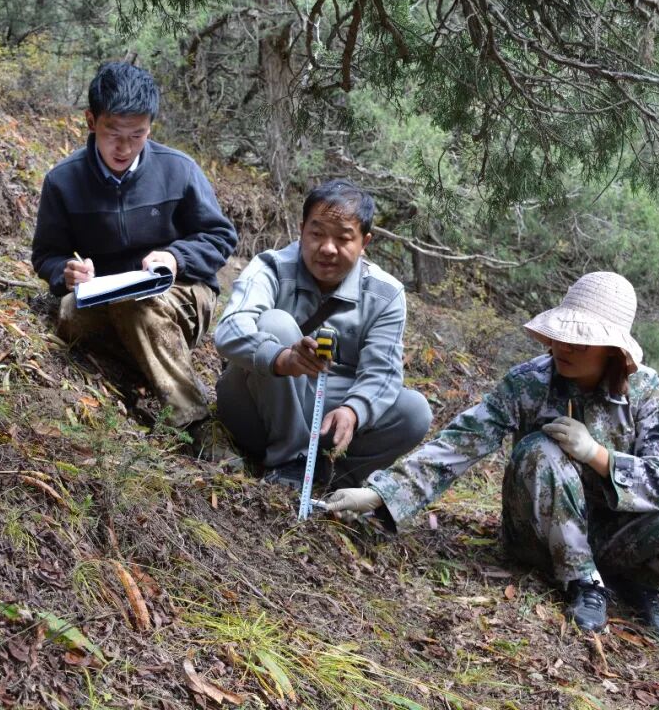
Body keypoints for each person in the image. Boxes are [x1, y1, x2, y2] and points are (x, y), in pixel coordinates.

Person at [324, 272, 659, 640]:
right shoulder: (529, 383)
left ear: (611, 349)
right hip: (540, 533)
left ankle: (636, 580)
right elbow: (462, 441)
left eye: (581, 341)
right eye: (562, 335)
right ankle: (583, 582)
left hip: (618, 532)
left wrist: (599, 456)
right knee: (543, 449)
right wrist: (382, 494)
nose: (565, 347)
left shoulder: (645, 391)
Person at [31, 62, 237, 428]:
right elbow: (47, 255)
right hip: (105, 297)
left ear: (150, 128)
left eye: (137, 135)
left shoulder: (179, 170)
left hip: (182, 293)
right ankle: (151, 362)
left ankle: (194, 423)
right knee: (68, 314)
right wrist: (66, 272)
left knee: (139, 308)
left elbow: (220, 236)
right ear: (91, 121)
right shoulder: (63, 181)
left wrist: (176, 258)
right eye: (113, 133)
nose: (124, 147)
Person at [213, 179, 432, 489]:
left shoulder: (385, 293)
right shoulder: (271, 267)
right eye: (317, 234)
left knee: (414, 412)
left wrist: (354, 410)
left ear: (365, 242)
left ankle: (331, 478)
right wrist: (281, 358)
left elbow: (382, 372)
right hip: (255, 409)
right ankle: (288, 461)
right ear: (301, 230)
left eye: (343, 238)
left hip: (328, 415)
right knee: (276, 324)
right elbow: (230, 328)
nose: (327, 248)